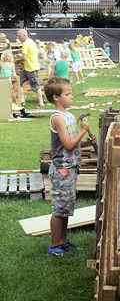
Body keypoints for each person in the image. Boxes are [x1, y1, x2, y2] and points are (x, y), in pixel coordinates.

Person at [44, 77, 90, 256]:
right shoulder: (57, 118)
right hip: (62, 168)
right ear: (56, 97)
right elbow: (69, 144)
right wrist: (83, 131)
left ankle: (62, 241)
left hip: (70, 167)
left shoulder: (68, 116)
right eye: (67, 94)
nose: (71, 96)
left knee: (66, 207)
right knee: (59, 208)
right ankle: (55, 245)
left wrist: (80, 130)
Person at [16, 29, 44, 107]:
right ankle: (22, 101)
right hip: (28, 67)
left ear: (24, 35)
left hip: (31, 68)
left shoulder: (25, 44)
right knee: (19, 83)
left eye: (19, 36)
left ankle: (41, 102)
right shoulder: (31, 42)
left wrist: (16, 61)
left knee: (35, 86)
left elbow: (24, 58)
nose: (18, 38)